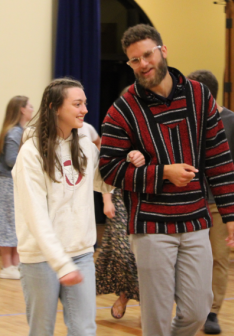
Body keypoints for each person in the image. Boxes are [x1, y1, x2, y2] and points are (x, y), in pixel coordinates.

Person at [99, 24, 234, 336]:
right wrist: (163, 172)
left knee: (198, 309)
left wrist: (232, 213)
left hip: (195, 221)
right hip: (150, 226)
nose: (143, 64)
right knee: (157, 314)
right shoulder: (122, 109)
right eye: (134, 60)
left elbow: (219, 157)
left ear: (162, 51)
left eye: (147, 55)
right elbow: (108, 169)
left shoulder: (198, 95)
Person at [12, 78, 144, 335]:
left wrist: (126, 163)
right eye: (77, 103)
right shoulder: (31, 153)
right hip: (41, 259)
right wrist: (61, 264)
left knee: (84, 329)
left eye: (85, 103)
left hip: (81, 254)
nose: (85, 109)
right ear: (55, 108)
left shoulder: (84, 144)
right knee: (42, 330)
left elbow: (101, 184)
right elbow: (36, 216)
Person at [187, 69, 234, 334]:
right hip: (189, 201)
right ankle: (188, 308)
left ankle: (213, 312)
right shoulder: (186, 119)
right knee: (187, 259)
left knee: (219, 258)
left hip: (220, 204)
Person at [95, 85, 139, 321]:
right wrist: (106, 199)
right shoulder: (113, 130)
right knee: (123, 253)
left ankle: (144, 303)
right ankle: (124, 296)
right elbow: (105, 170)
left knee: (146, 256)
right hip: (121, 197)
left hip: (146, 198)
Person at [0, 96, 33, 280]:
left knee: (16, 224)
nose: (32, 108)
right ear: (22, 110)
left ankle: (15, 264)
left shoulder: (21, 131)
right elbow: (10, 160)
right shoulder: (15, 132)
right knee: (7, 223)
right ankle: (6, 265)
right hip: (7, 183)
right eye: (30, 106)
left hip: (13, 183)